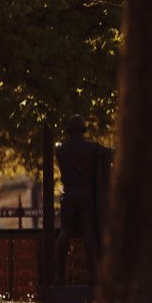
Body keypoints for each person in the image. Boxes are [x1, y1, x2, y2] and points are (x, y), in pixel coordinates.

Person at [53, 115, 113, 291]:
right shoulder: (93, 149)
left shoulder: (60, 149)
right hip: (87, 194)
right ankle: (94, 277)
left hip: (69, 193)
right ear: (83, 130)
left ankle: (60, 277)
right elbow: (110, 154)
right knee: (89, 233)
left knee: (64, 233)